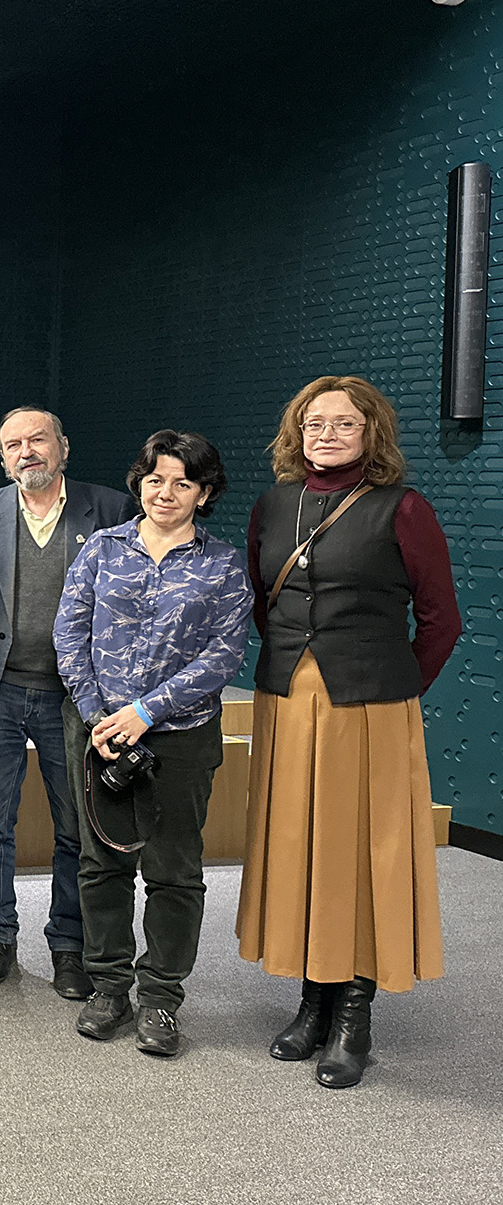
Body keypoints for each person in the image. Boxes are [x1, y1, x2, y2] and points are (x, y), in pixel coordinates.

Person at [236, 376, 461, 1089]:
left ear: (371, 433)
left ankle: (353, 1013)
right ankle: (313, 999)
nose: (326, 435)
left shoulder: (404, 508)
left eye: (343, 424)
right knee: (301, 847)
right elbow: (262, 602)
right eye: (314, 424)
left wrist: (395, 686)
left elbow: (441, 618)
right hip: (287, 700)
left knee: (360, 852)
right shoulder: (273, 505)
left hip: (370, 708)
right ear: (296, 434)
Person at [55, 431, 252, 1058]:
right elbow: (69, 634)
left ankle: (161, 996)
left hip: (181, 736)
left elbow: (224, 654)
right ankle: (109, 986)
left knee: (173, 870)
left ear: (205, 493)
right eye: (155, 479)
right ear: (140, 483)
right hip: (98, 731)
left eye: (182, 483)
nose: (165, 493)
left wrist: (145, 712)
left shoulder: (223, 565)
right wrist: (98, 716)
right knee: (101, 863)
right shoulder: (101, 549)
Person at [0, 407, 128, 999]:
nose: (27, 451)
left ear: (63, 446)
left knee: (74, 825)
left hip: (74, 697)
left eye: (38, 439)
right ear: (2, 458)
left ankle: (68, 945)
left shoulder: (109, 509)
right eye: (13, 444)